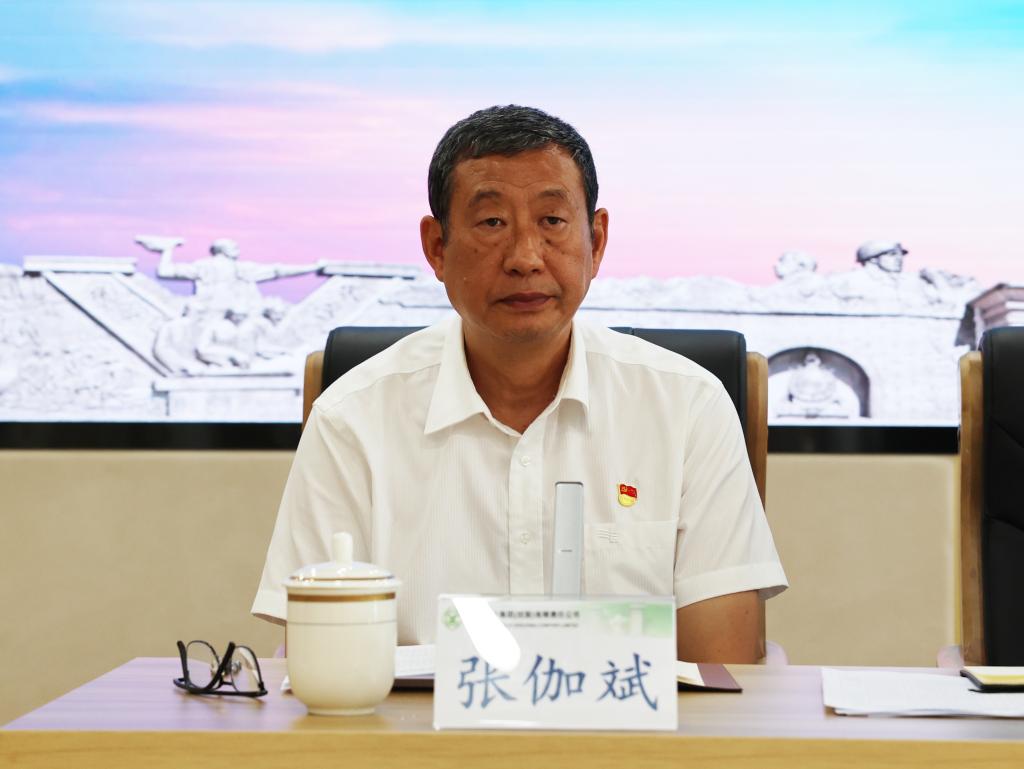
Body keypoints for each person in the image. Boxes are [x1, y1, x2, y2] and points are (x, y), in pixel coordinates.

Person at [252, 105, 787, 662]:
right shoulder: (351, 418)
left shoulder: (688, 407)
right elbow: (321, 665)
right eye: (492, 223)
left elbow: (723, 668)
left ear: (597, 240)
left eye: (552, 221)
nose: (525, 258)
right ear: (437, 247)